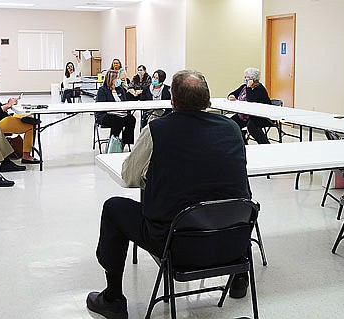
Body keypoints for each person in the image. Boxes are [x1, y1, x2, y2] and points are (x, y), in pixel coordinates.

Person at [86, 70, 251, 318]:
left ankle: (112, 298)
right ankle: (239, 278)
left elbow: (129, 177)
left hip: (176, 244)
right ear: (208, 101)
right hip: (231, 242)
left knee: (113, 208)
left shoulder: (157, 130)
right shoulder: (232, 129)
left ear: (172, 100)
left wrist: (152, 176)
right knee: (226, 199)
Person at [227, 67, 274, 144]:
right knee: (232, 123)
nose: (245, 79)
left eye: (247, 77)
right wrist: (231, 96)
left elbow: (250, 101)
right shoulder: (244, 87)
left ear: (253, 79)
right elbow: (232, 93)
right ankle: (243, 142)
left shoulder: (260, 89)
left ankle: (265, 144)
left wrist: (249, 88)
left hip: (260, 116)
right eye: (245, 77)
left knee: (252, 127)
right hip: (246, 115)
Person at [95, 70, 136, 146]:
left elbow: (125, 102)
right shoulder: (102, 90)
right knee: (118, 120)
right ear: (111, 79)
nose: (119, 80)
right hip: (106, 114)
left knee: (131, 119)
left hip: (121, 113)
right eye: (117, 78)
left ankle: (124, 143)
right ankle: (112, 142)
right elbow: (102, 106)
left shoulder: (120, 89)